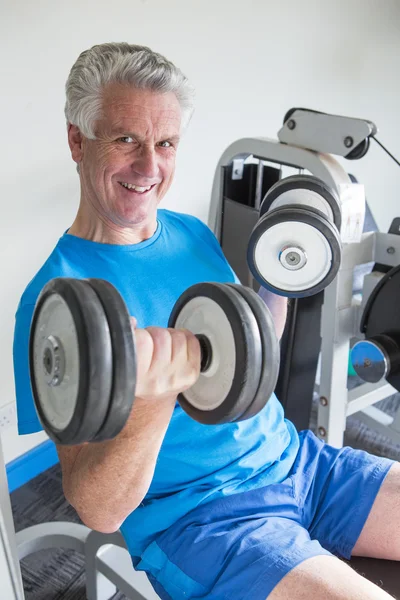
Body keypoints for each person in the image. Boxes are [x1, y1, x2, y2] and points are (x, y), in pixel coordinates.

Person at [12, 42, 400, 600]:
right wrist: (154, 398)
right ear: (78, 141)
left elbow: (244, 359)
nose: (150, 167)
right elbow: (97, 507)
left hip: (300, 461)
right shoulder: (51, 304)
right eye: (126, 140)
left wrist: (277, 279)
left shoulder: (189, 232)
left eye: (165, 143)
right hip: (205, 521)